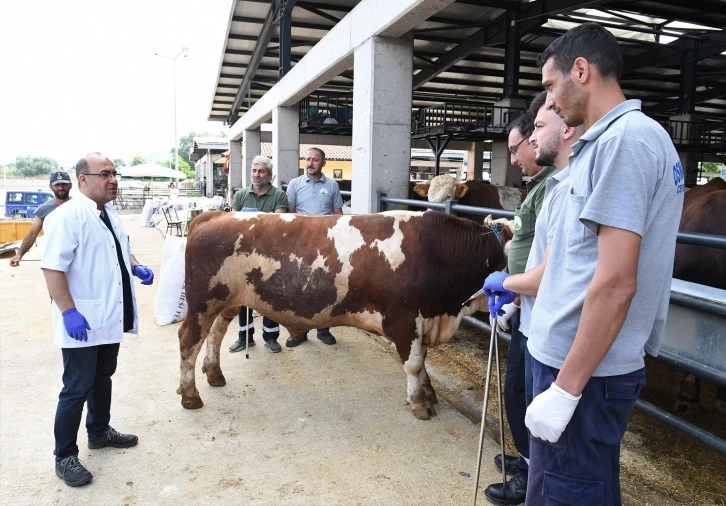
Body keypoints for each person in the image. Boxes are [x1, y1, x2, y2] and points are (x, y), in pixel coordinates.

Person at [485, 22, 683, 504]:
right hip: (578, 359)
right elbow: (575, 259)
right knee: (576, 485)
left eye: (551, 86)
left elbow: (616, 281)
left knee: (566, 492)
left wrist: (567, 389)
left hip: (582, 368)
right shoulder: (612, 142)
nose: (549, 102)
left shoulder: (625, 143)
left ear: (581, 70)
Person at [483, 91, 580, 505]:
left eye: (520, 145)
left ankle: (530, 472)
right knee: (520, 390)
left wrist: (509, 289)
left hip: (542, 313)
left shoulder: (554, 188)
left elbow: (551, 265)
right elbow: (534, 248)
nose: (518, 156)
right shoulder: (540, 187)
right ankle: (527, 461)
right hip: (528, 307)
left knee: (525, 394)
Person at [40, 153, 155, 487]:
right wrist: (68, 312)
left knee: (103, 376)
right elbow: (52, 268)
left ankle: (99, 431)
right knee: (76, 387)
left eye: (114, 173)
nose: (113, 179)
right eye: (105, 174)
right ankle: (64, 456)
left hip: (108, 317)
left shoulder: (110, 212)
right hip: (82, 319)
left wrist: (134, 265)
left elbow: (121, 247)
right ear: (83, 180)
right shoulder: (68, 217)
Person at [228, 155, 288, 354]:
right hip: (244, 254)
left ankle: (271, 337)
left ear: (270, 174)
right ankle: (245, 337)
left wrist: (253, 220)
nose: (257, 175)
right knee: (244, 296)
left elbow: (277, 226)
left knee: (269, 296)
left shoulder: (279, 196)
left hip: (269, 255)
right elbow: (232, 222)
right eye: (254, 171)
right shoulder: (242, 194)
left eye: (261, 171)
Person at [285, 147, 343, 347]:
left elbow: (338, 214)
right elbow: (289, 216)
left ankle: (323, 329)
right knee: (299, 287)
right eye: (308, 159)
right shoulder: (295, 184)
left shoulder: (333, 185)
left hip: (325, 245)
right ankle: (298, 332)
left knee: (324, 287)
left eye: (315, 160)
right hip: (301, 244)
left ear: (323, 163)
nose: (310, 163)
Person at [9, 170, 72, 266]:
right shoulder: (44, 209)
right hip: (55, 261)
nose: (61, 187)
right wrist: (19, 255)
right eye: (57, 184)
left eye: (64, 184)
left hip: (78, 258)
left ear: (70, 185)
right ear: (50, 186)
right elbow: (32, 234)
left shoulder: (80, 206)